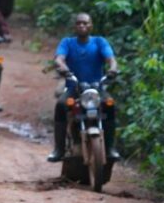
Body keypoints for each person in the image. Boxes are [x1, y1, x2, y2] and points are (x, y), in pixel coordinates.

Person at [47, 12, 120, 162]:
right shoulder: (67, 42)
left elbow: (111, 59)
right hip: (75, 89)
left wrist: (113, 69)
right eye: (79, 23)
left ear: (91, 26)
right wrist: (64, 68)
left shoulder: (99, 42)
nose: (82, 26)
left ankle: (110, 148)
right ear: (75, 26)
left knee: (110, 105)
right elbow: (59, 59)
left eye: (85, 23)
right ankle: (59, 149)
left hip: (97, 89)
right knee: (61, 105)